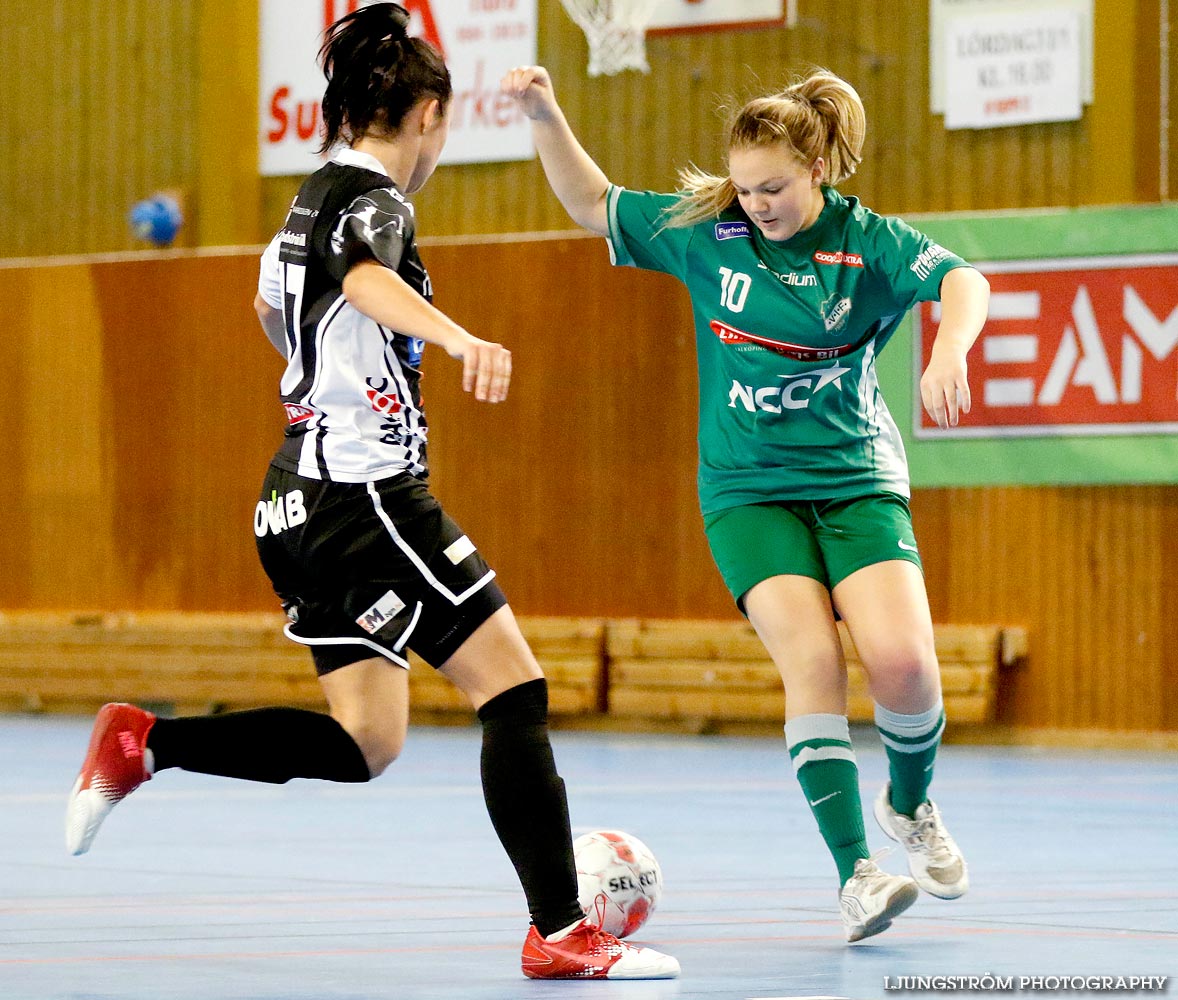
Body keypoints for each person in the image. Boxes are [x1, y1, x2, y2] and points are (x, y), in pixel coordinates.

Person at [63, 5, 678, 981]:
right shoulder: (378, 202)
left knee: (367, 739)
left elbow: (275, 305)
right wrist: (456, 337)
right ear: (427, 114)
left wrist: (335, 372)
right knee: (512, 686)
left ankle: (146, 742)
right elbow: (357, 281)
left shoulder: (307, 196)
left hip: (291, 498)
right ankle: (561, 930)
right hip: (365, 494)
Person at [501, 64, 989, 943]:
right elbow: (593, 201)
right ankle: (857, 878)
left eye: (776, 187)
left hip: (855, 479)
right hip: (747, 492)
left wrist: (948, 350)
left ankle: (909, 805)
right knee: (813, 665)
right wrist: (543, 113)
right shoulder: (709, 232)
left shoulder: (864, 243)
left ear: (817, 172)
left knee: (906, 666)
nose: (758, 203)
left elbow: (965, 282)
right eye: (746, 187)